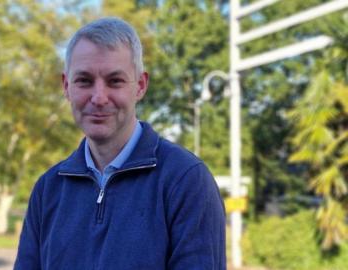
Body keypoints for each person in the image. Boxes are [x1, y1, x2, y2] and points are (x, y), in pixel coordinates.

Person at [14, 17, 226, 270]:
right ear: (67, 87)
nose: (99, 97)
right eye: (84, 80)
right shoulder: (48, 189)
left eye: (115, 81)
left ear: (140, 86)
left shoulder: (186, 181)